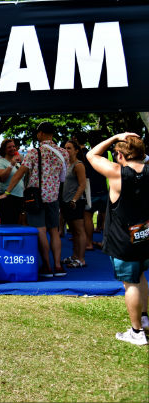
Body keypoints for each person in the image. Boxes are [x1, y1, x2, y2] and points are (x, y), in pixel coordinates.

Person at [86, 133, 149, 346]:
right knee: (140, 275)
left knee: (130, 283)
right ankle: (144, 318)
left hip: (123, 239)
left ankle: (137, 332)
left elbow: (91, 155)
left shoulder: (116, 173)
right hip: (144, 234)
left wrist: (115, 137)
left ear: (120, 155)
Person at [0, 122, 69, 278]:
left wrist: (7, 192)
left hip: (35, 197)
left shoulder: (33, 153)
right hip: (53, 196)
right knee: (54, 231)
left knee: (40, 230)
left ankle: (47, 266)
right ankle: (58, 266)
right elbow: (62, 177)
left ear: (40, 134)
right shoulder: (63, 153)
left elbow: (20, 173)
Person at [60, 140, 87, 268]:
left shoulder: (78, 165)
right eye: (65, 148)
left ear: (76, 150)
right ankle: (75, 256)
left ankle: (81, 259)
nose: (66, 150)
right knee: (74, 232)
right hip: (67, 202)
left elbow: (82, 185)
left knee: (79, 231)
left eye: (69, 148)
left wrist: (74, 200)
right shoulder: (66, 164)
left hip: (76, 202)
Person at [0, 139, 24, 225]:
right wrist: (11, 165)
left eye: (13, 146)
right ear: (4, 150)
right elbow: (2, 178)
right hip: (8, 198)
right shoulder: (1, 162)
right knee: (8, 224)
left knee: (18, 225)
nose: (13, 148)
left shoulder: (17, 163)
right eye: (9, 147)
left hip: (19, 197)